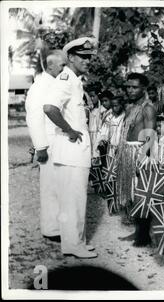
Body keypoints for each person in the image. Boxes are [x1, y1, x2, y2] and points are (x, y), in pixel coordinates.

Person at [43, 37, 98, 259]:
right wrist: (70, 130)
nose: (87, 61)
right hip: (71, 149)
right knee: (73, 199)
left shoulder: (75, 80)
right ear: (71, 57)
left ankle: (76, 242)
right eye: (83, 57)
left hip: (75, 151)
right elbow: (49, 108)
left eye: (89, 57)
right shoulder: (66, 79)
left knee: (75, 198)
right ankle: (74, 245)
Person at [25, 50, 67, 242]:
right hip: (48, 143)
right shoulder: (40, 86)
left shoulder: (54, 83)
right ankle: (51, 229)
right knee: (50, 186)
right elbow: (34, 116)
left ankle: (59, 225)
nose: (64, 68)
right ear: (50, 66)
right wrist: (40, 146)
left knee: (59, 185)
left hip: (58, 142)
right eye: (62, 65)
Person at [116, 72, 156, 247]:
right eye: (128, 87)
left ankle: (143, 235)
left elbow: (150, 135)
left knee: (141, 194)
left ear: (144, 88)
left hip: (139, 152)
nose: (130, 90)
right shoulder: (130, 107)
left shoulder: (148, 108)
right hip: (127, 151)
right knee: (130, 193)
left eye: (134, 87)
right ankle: (137, 231)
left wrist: (142, 157)